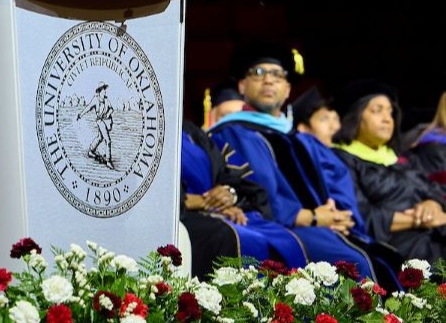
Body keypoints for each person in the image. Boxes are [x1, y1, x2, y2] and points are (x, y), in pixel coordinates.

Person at [209, 43, 382, 281]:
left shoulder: (303, 140)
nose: (268, 80)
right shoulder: (234, 133)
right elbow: (257, 190)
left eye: (277, 75)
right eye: (258, 73)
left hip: (328, 227)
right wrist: (310, 216)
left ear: (288, 89)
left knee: (387, 258)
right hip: (284, 229)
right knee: (352, 263)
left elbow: (339, 178)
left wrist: (341, 217)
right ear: (242, 86)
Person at [332, 80, 446, 262]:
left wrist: (432, 204)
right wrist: (419, 220)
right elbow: (359, 214)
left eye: (390, 112)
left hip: (433, 231)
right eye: (377, 110)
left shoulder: (398, 157)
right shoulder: (341, 159)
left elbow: (432, 189)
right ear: (356, 115)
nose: (387, 118)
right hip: (395, 245)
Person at [180, 119, 308, 277]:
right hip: (184, 214)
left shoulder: (191, 131)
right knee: (227, 235)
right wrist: (198, 202)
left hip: (219, 211)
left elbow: (237, 179)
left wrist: (229, 194)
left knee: (286, 239)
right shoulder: (152, 135)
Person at [78, 82, 116, 169]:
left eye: (105, 90)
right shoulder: (95, 100)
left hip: (106, 121)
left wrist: (108, 114)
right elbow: (88, 108)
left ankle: (91, 151)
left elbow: (111, 109)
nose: (105, 92)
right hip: (100, 122)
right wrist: (80, 114)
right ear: (99, 92)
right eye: (103, 91)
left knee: (100, 138)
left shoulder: (106, 100)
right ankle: (108, 161)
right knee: (108, 140)